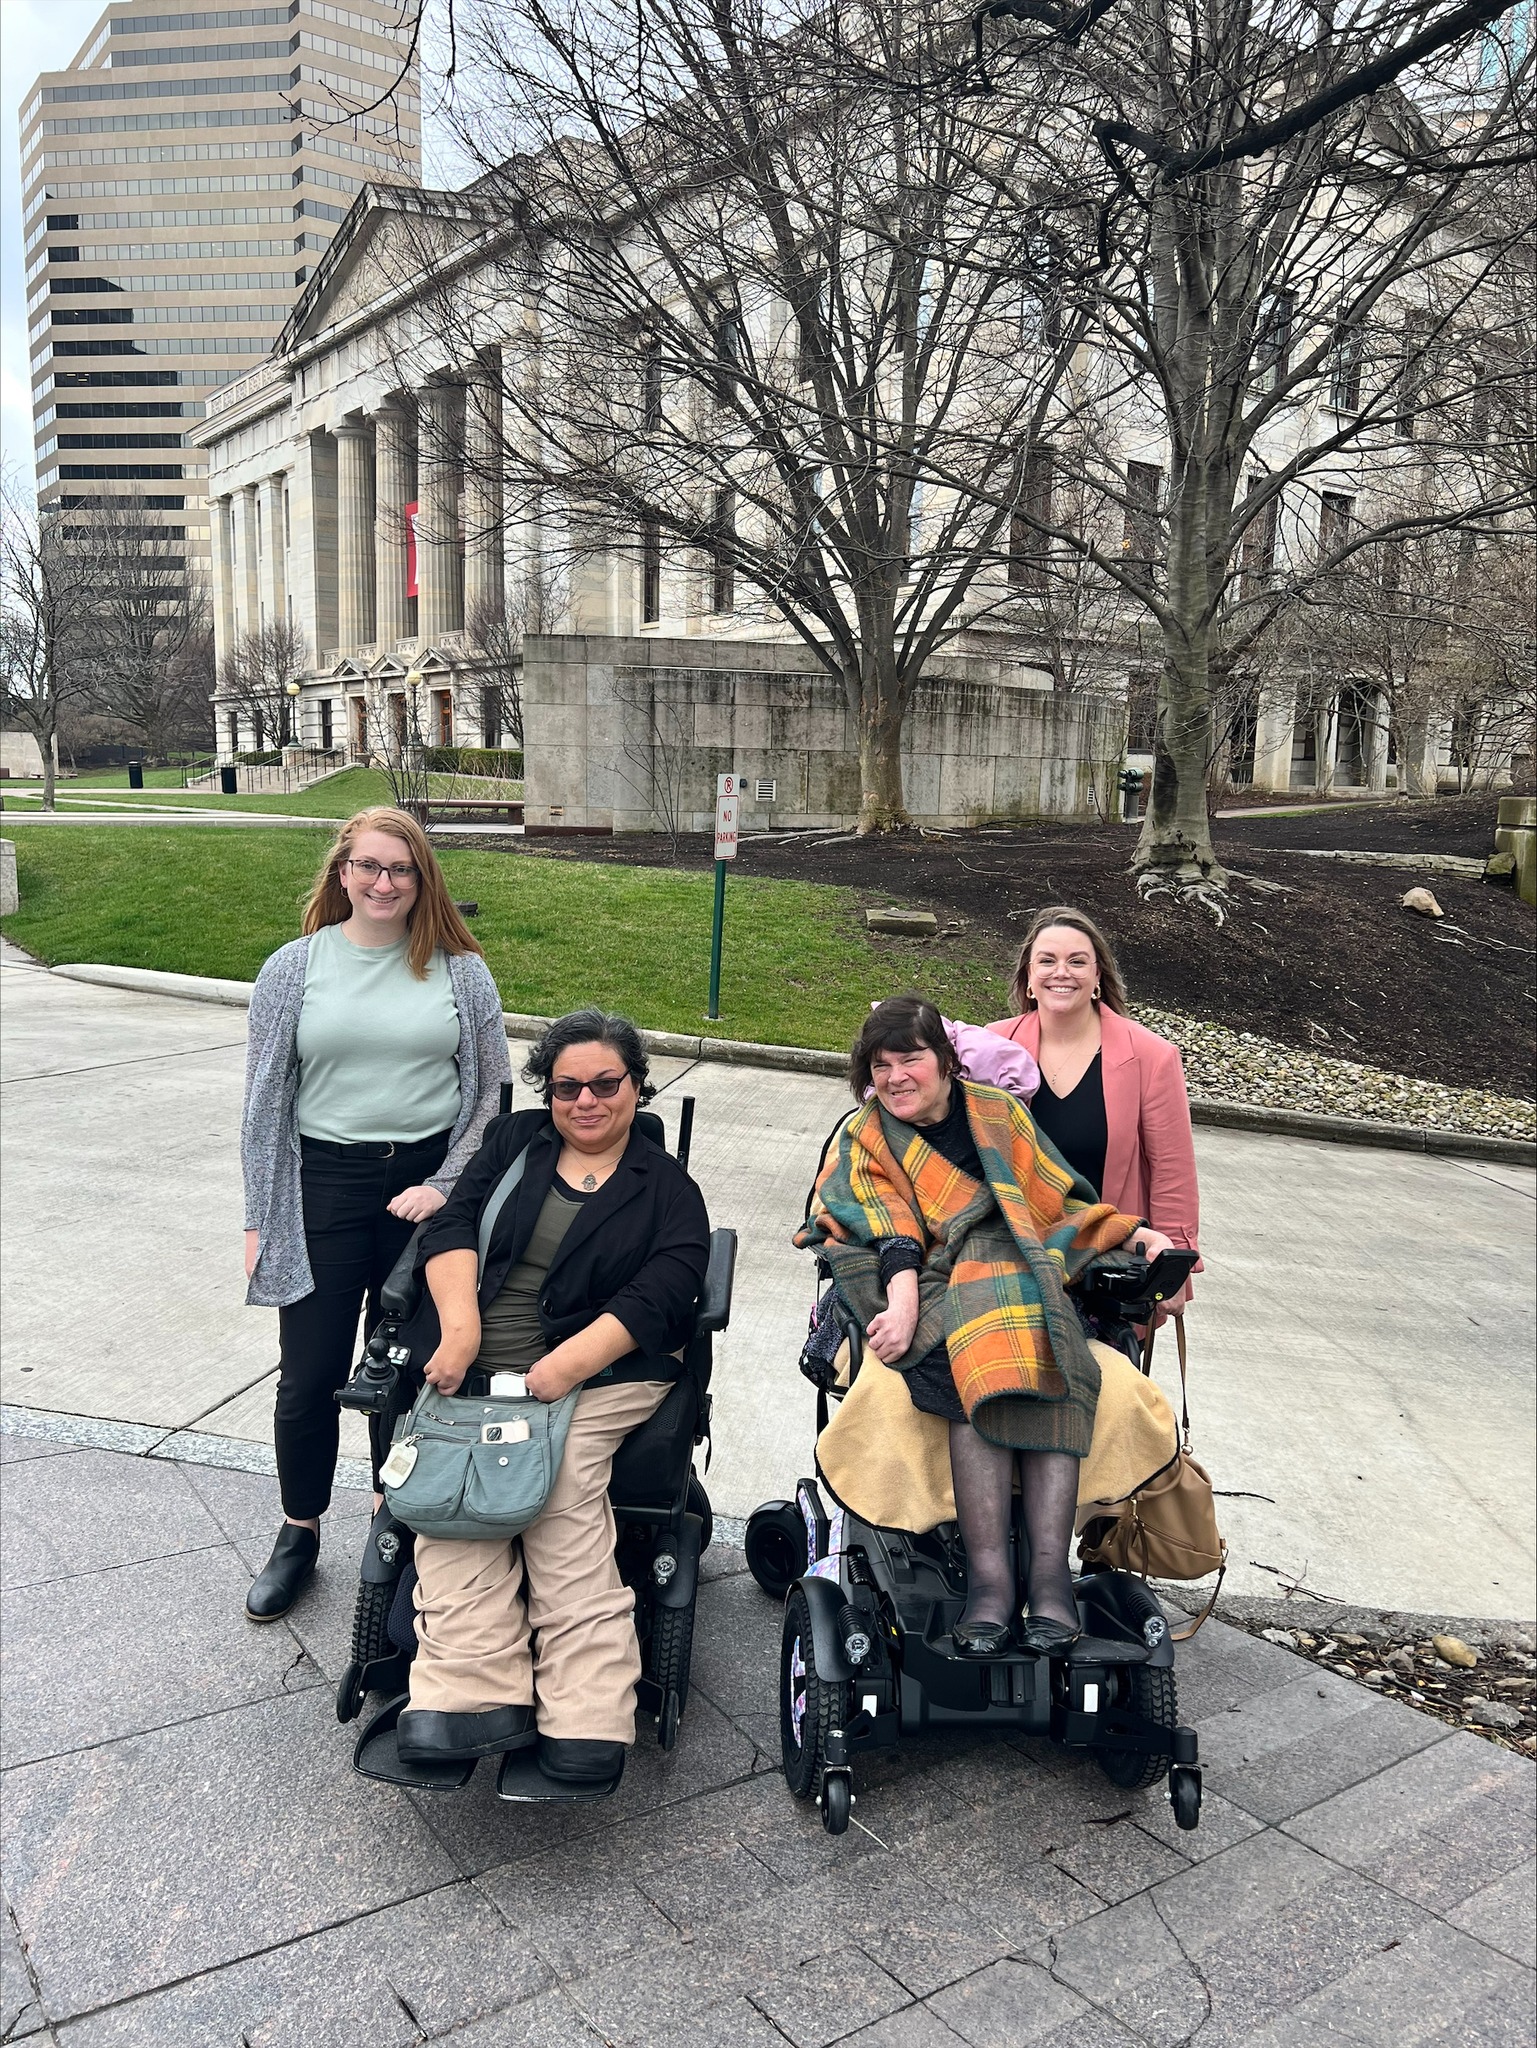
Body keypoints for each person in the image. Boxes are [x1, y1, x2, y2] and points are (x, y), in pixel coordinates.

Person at [797, 996, 1174, 1656]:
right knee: (967, 1360)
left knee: (1054, 1359)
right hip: (927, 1278)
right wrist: (905, 1302)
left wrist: (1136, 1233)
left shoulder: (999, 1114)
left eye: (910, 1059)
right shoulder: (864, 1135)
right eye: (880, 1066)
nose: (895, 1077)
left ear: (944, 1061)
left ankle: (1050, 1578)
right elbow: (885, 1229)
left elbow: (1059, 1200)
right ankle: (993, 1583)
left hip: (1019, 1268)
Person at [394, 1010, 710, 1786]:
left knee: (562, 1491)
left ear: (636, 1086)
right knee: (455, 1503)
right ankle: (470, 1696)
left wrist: (564, 1366)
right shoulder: (512, 1146)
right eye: (567, 1087)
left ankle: (588, 1712)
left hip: (600, 1377)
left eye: (606, 1084)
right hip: (478, 1370)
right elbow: (451, 1225)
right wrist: (460, 1329)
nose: (586, 1101)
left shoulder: (666, 1187)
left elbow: (667, 1288)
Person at [241, 806, 509, 1622]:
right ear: (342, 873)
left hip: (425, 1190)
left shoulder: (461, 971)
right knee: (310, 1376)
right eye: (369, 866)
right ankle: (299, 1530)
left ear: (423, 879)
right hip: (322, 1188)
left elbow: (492, 1098)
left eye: (401, 869)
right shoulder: (294, 968)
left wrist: (445, 1186)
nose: (384, 882)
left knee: (405, 1371)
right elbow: (263, 1105)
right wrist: (260, 1217)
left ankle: (392, 1518)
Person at [987, 907, 1200, 1312]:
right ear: (1029, 978)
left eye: (1077, 961)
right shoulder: (991, 1046)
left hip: (1109, 1267)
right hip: (1010, 1263)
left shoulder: (1151, 1057)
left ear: (1098, 976)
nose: (1061, 972)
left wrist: (1174, 1269)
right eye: (1047, 961)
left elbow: (1172, 1172)